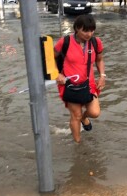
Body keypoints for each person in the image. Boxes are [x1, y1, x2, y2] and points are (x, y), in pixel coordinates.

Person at [54, 14, 106, 143]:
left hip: (89, 84)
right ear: (77, 28)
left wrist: (102, 76)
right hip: (70, 84)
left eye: (91, 30)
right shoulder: (65, 42)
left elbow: (99, 60)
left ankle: (84, 118)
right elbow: (51, 58)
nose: (89, 34)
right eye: (85, 30)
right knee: (75, 115)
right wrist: (57, 74)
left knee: (94, 112)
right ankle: (78, 144)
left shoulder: (96, 42)